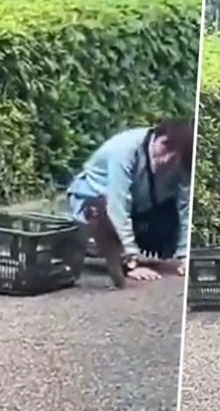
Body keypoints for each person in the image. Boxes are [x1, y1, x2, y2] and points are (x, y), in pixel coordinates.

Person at [66, 117, 194, 288]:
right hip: (95, 203)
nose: (166, 158)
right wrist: (131, 261)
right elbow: (117, 204)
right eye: (165, 146)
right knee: (103, 209)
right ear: (156, 136)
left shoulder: (180, 165)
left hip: (138, 206)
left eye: (175, 155)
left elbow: (185, 208)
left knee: (168, 215)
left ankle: (127, 245)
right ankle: (106, 248)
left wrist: (185, 256)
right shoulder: (125, 150)